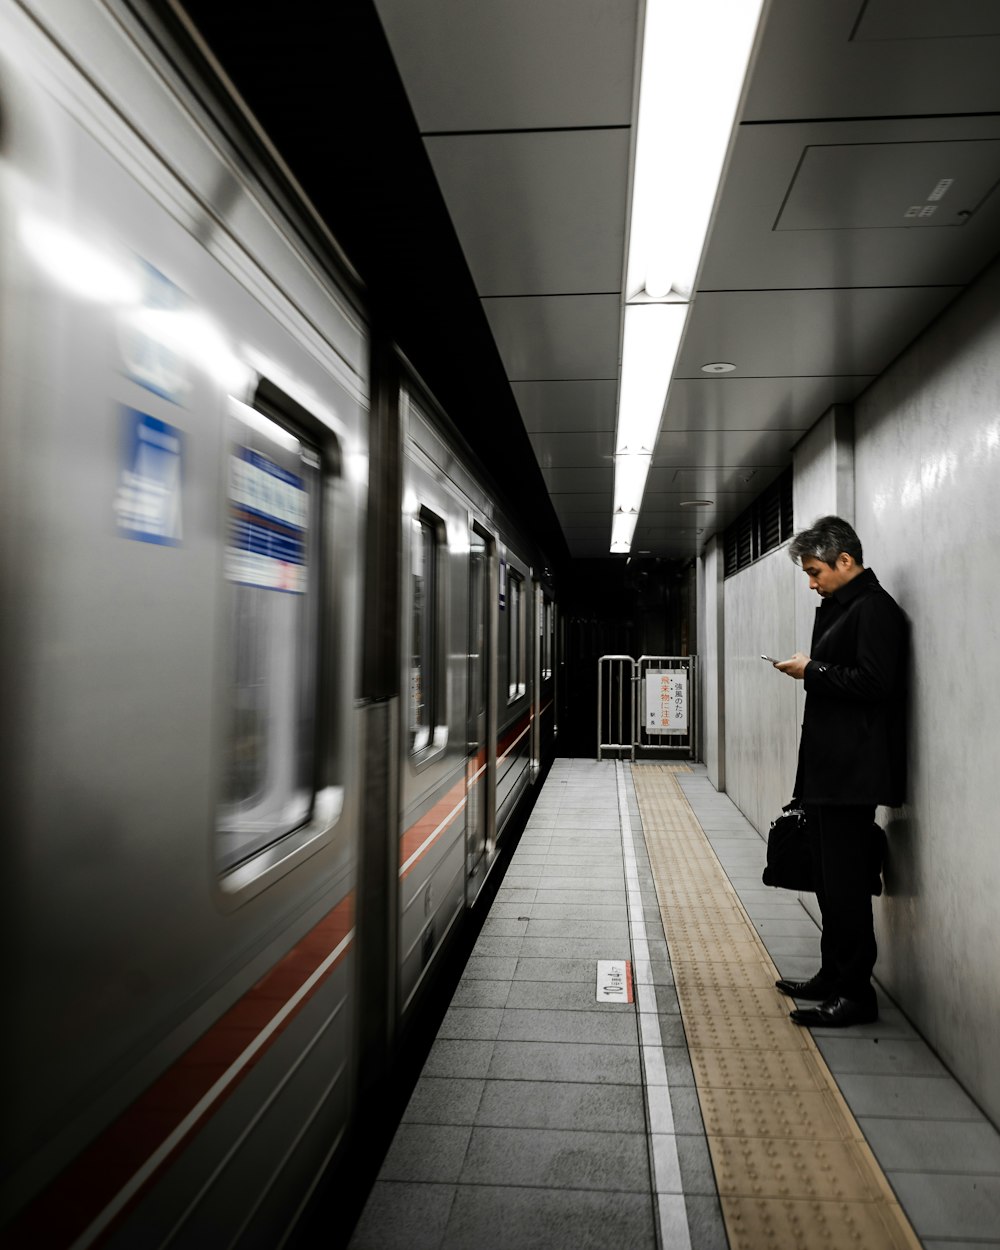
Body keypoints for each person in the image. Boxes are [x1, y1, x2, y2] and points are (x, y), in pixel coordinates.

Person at [771, 515, 908, 1027]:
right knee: (828, 881)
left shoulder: (874, 610)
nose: (812, 582)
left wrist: (814, 670)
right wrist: (815, 667)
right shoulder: (842, 606)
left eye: (814, 571)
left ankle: (855, 995)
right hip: (830, 769)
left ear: (844, 561)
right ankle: (833, 975)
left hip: (854, 773)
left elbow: (875, 683)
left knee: (847, 885)